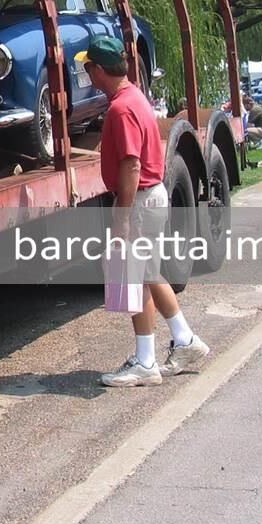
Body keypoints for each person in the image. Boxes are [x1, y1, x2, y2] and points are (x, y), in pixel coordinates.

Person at [75, 35, 210, 387]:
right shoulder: (134, 96)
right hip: (152, 197)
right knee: (149, 274)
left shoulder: (121, 108)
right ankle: (184, 341)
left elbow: (132, 165)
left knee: (136, 278)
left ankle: (147, 362)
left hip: (139, 200)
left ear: (99, 69)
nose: (87, 72)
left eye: (88, 67)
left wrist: (121, 216)